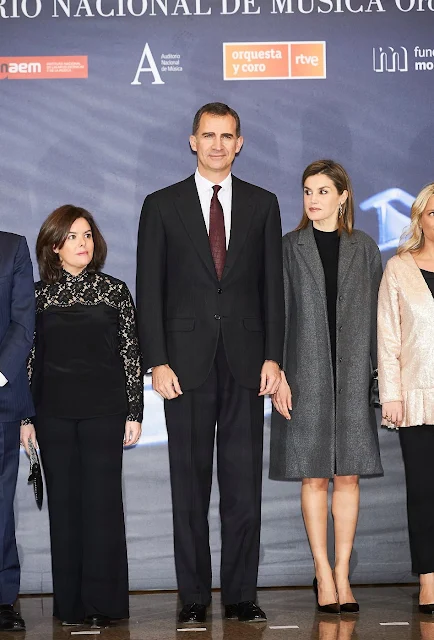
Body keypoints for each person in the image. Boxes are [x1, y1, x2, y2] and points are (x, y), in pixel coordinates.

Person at [136, 102, 284, 624]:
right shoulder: (161, 205)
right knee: (190, 488)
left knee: (243, 488)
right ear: (192, 140)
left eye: (227, 136)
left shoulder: (264, 205)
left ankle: (242, 594)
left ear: (239, 143)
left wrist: (274, 357)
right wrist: (156, 361)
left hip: (247, 364)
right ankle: (193, 598)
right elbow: (148, 293)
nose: (218, 144)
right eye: (208, 135)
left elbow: (273, 290)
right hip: (185, 366)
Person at [20, 205, 143, 628]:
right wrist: (24, 418)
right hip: (52, 416)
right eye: (73, 236)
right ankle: (71, 606)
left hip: (105, 414)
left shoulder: (115, 292)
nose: (83, 243)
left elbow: (130, 355)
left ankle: (103, 605)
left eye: (88, 235)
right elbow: (28, 361)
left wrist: (134, 412)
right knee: (66, 509)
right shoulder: (36, 298)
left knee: (104, 508)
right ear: (53, 246)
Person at [270, 159, 383, 614]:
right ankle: (321, 571)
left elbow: (380, 322)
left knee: (349, 475)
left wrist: (380, 378)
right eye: (306, 191)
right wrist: (277, 371)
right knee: (314, 475)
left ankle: (342, 572)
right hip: (304, 375)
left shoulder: (366, 249)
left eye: (321, 191)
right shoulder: (287, 248)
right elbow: (275, 313)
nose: (312, 200)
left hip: (353, 375)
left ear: (342, 196)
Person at [378, 182, 434, 614]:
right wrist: (392, 395)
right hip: (417, 397)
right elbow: (389, 337)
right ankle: (429, 583)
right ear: (419, 219)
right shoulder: (399, 268)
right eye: (433, 213)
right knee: (424, 491)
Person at [0, 232, 34, 632]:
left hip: (2, 398)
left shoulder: (13, 248)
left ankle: (4, 597)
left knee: (1, 503)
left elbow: (23, 321)